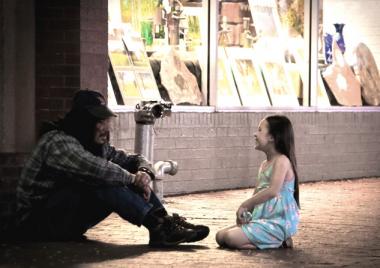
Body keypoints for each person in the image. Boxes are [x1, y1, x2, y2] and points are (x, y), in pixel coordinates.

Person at [12, 89, 209, 246]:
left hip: (66, 219)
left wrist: (144, 171)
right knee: (104, 178)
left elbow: (132, 158)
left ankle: (163, 223)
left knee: (118, 174)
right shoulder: (58, 142)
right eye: (99, 121)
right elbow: (97, 170)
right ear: (83, 121)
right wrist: (134, 179)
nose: (106, 127)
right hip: (36, 224)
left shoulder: (92, 143)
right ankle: (159, 226)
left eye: (105, 120)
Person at [215, 115, 300, 250]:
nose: (255, 134)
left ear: (272, 137)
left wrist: (245, 204)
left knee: (231, 238)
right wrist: (246, 213)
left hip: (276, 222)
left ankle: (279, 241)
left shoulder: (282, 161)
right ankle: (266, 241)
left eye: (260, 130)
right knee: (220, 236)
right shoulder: (264, 164)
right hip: (261, 220)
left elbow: (273, 191)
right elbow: (258, 193)